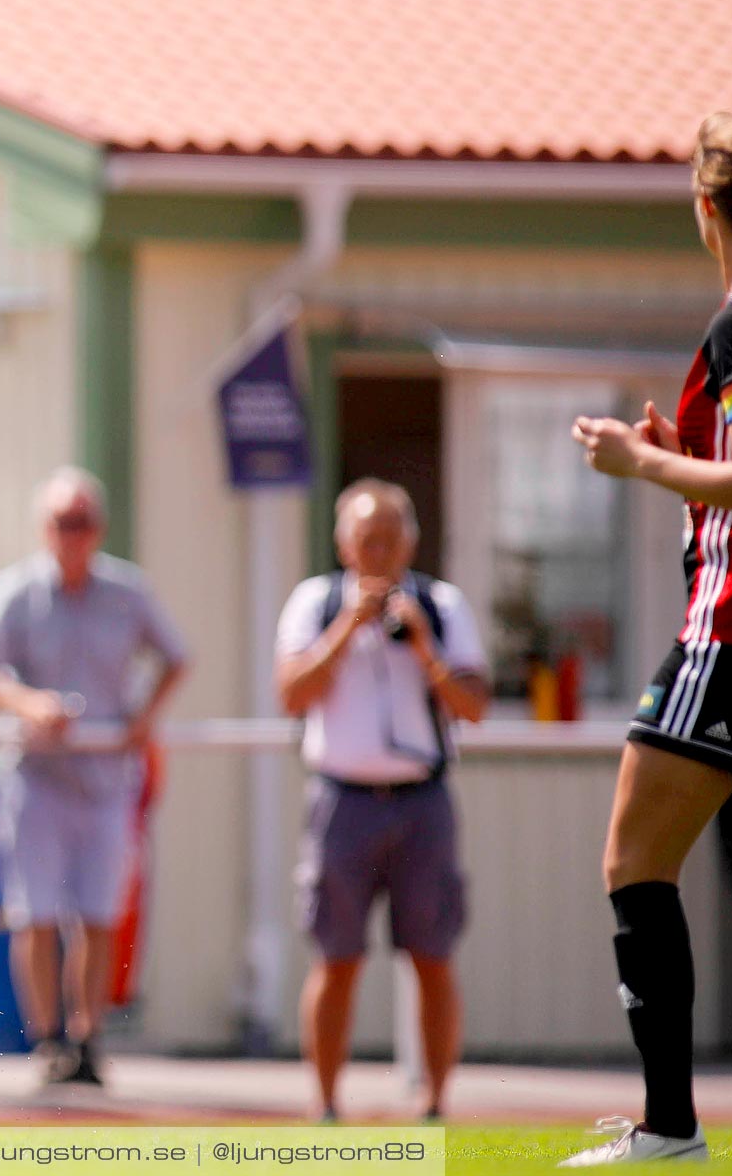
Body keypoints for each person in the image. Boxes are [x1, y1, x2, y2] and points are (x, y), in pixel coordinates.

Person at [561, 112, 732, 1165]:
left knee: (635, 860)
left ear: (707, 206)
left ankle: (669, 1127)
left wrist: (642, 465)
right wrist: (687, 466)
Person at [0, 466, 189, 1087]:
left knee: (98, 912)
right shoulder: (15, 592)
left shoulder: (127, 591)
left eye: (82, 523)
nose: (73, 534)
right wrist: (28, 703)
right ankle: (47, 1038)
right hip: (35, 777)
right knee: (34, 913)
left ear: (100, 529)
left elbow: (177, 657)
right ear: (44, 529)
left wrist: (143, 718)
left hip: (105, 778)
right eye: (63, 523)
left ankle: (88, 1036)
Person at [273, 478, 488, 1124]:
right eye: (368, 539)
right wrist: (349, 626)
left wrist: (423, 644)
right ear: (343, 544)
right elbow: (291, 692)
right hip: (342, 801)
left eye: (391, 539)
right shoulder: (314, 603)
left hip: (422, 801)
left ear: (411, 543)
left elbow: (473, 705)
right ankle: (327, 1101)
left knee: (432, 955)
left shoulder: (441, 604)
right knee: (336, 957)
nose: (379, 552)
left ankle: (434, 1101)